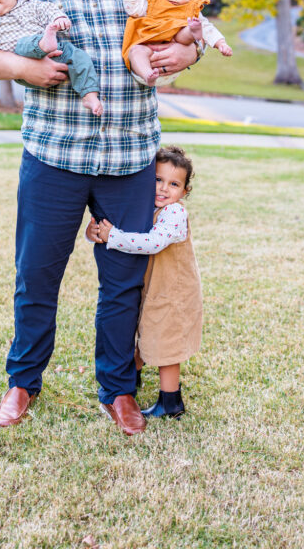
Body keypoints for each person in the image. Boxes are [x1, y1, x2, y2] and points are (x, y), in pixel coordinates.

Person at [0, 0, 202, 436]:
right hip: (53, 156)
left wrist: (188, 56)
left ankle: (119, 391)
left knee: (123, 280)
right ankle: (23, 382)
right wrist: (29, 67)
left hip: (130, 158)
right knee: (36, 276)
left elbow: (178, 35)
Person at [86, 144, 202, 419]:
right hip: (155, 289)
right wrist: (94, 233)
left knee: (167, 344)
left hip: (174, 292)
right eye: (158, 180)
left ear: (184, 192)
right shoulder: (147, 208)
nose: (163, 189)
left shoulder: (175, 214)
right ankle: (131, 379)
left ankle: (171, 402)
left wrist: (112, 236)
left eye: (174, 184)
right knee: (147, 334)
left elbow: (152, 243)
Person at [122, 0, 232, 87]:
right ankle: (147, 75)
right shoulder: (153, 1)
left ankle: (192, 31)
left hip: (173, 52)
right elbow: (133, 10)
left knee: (188, 28)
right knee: (135, 51)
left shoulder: (191, 8)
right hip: (148, 54)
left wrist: (221, 43)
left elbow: (208, 28)